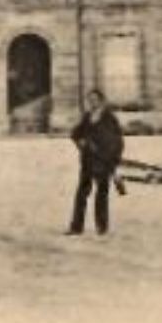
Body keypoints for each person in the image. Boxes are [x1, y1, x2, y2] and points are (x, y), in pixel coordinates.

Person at [68, 88, 125, 236]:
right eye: (89, 100)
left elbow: (118, 141)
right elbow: (75, 133)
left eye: (94, 100)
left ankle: (102, 227)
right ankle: (76, 226)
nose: (91, 103)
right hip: (87, 161)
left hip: (103, 162)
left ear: (101, 101)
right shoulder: (87, 117)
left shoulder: (110, 118)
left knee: (101, 195)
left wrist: (113, 161)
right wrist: (81, 143)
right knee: (81, 194)